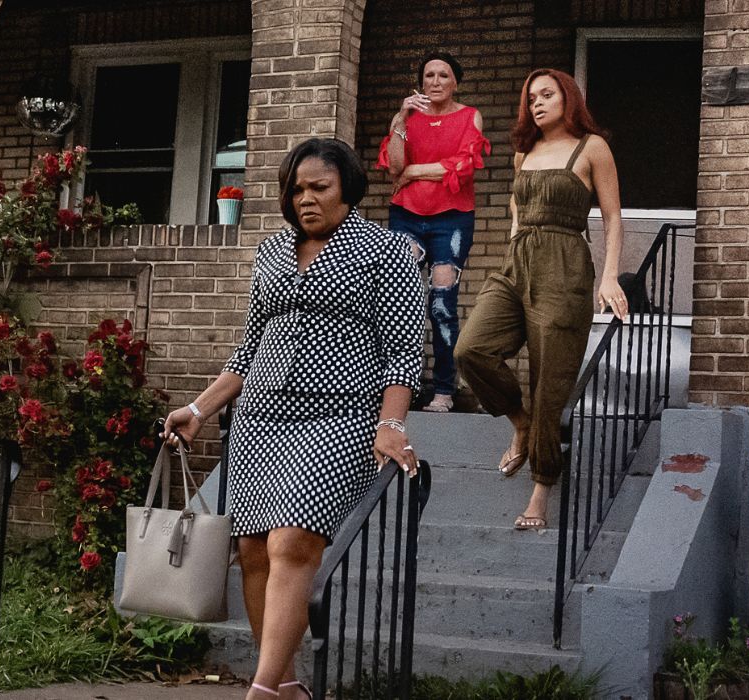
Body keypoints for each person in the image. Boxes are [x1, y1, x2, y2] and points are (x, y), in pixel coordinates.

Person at [161, 138, 425, 699]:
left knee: (293, 547)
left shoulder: (387, 251)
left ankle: (258, 691)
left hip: (336, 418)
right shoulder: (274, 252)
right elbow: (249, 349)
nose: (305, 199)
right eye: (296, 189)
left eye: (319, 188)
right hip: (257, 420)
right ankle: (286, 687)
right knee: (253, 551)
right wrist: (198, 408)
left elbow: (404, 350)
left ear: (347, 189)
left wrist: (392, 424)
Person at [454, 68, 628, 531]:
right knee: (470, 349)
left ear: (567, 98)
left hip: (566, 267)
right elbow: (516, 214)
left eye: (546, 95)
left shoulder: (592, 148)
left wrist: (609, 279)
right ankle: (520, 422)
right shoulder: (523, 152)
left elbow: (612, 218)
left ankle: (540, 489)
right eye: (531, 97)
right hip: (517, 264)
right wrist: (513, 253)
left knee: (550, 383)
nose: (537, 103)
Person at [376, 51, 491, 413]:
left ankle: (444, 390)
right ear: (420, 82)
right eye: (429, 76)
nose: (436, 82)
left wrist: (412, 173)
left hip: (452, 218)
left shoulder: (470, 116)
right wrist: (399, 119)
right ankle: (399, 390)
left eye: (443, 75)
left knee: (442, 305)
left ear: (456, 81)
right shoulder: (407, 119)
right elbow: (395, 165)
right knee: (403, 303)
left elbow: (463, 166)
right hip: (407, 215)